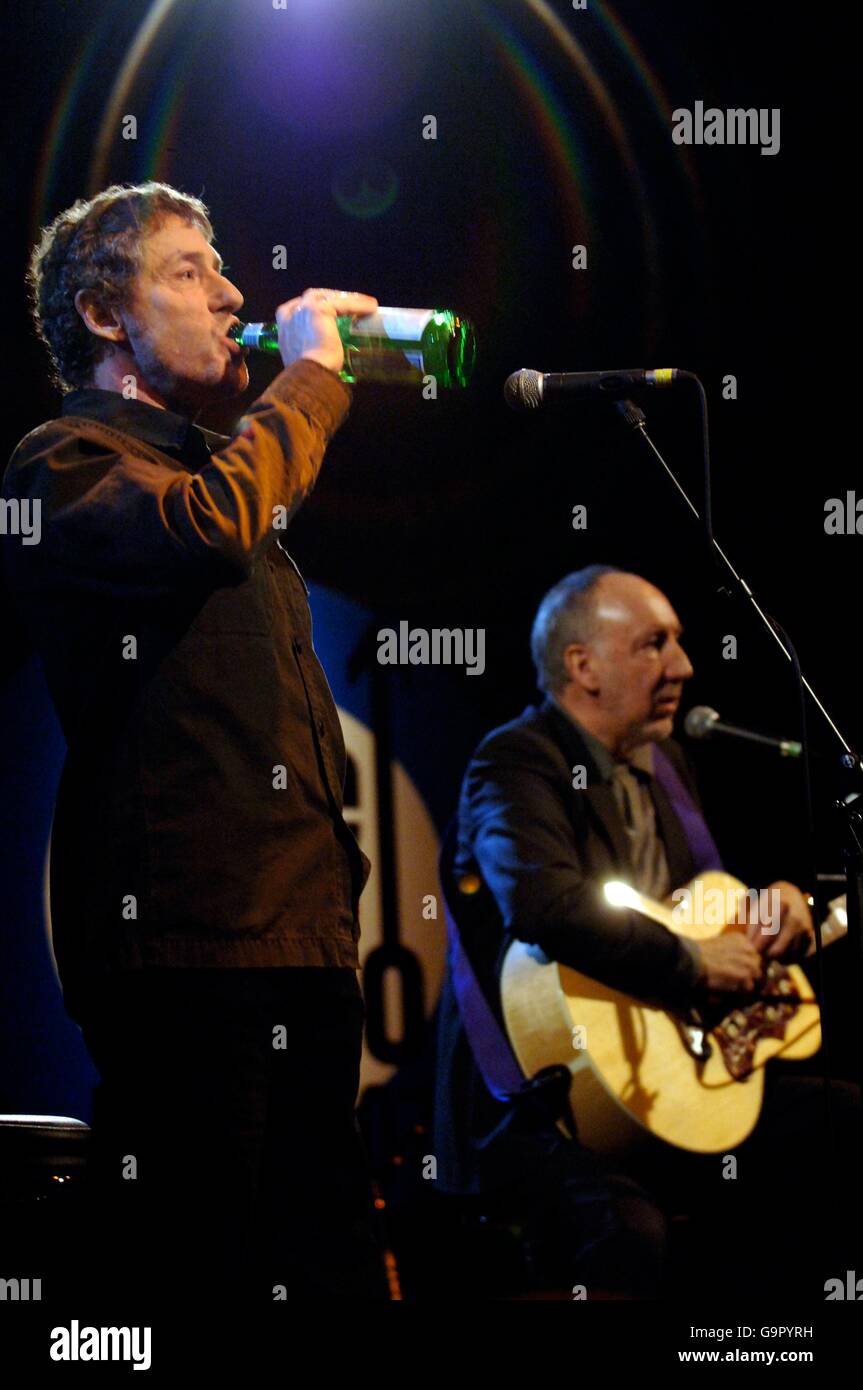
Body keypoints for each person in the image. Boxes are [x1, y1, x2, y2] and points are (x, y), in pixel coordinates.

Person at [1, 180, 389, 1308]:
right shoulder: (61, 460)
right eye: (189, 269)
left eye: (223, 264)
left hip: (298, 952)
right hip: (190, 964)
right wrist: (312, 379)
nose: (231, 293)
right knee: (185, 1282)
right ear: (107, 317)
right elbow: (210, 529)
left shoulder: (213, 474)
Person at [433, 564, 859, 1299]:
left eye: (680, 644)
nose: (684, 667)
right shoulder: (515, 761)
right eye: (653, 644)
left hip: (662, 1085)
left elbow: (696, 904)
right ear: (582, 666)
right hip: (545, 1107)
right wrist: (692, 964)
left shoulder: (665, 763)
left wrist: (773, 908)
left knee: (842, 1120)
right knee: (629, 1235)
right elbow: (546, 907)